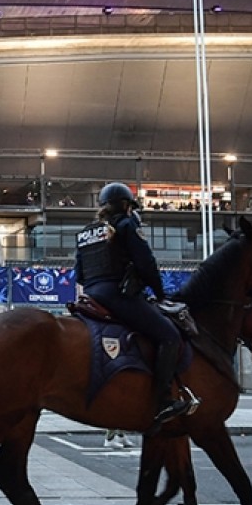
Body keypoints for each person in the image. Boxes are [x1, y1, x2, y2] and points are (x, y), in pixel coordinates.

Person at [75, 182, 197, 432]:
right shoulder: (126, 225)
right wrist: (160, 293)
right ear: (125, 205)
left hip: (92, 295)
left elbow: (79, 274)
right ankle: (163, 400)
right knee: (169, 335)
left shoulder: (88, 232)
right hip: (117, 294)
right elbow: (146, 262)